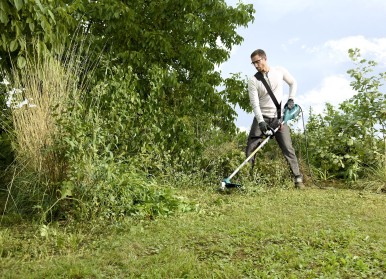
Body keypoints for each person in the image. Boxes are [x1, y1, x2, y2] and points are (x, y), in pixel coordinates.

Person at [246, 49, 304, 189]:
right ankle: (246, 177)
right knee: (251, 148)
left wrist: (291, 98)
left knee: (288, 148)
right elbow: (254, 103)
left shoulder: (279, 71)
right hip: (262, 118)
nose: (256, 65)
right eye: (253, 63)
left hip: (279, 119)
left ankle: (298, 179)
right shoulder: (253, 81)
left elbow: (293, 83)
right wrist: (260, 122)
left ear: (265, 59)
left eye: (258, 62)